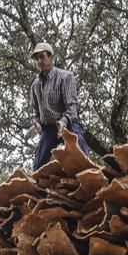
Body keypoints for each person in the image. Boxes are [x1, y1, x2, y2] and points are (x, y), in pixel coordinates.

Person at [29, 41, 92, 170]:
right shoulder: (35, 86)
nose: (39, 61)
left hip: (68, 124)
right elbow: (36, 113)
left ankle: (91, 176)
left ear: (51, 57)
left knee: (79, 146)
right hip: (49, 129)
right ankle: (37, 188)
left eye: (42, 57)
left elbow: (72, 107)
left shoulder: (65, 77)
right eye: (37, 58)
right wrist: (37, 125)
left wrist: (63, 122)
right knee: (39, 161)